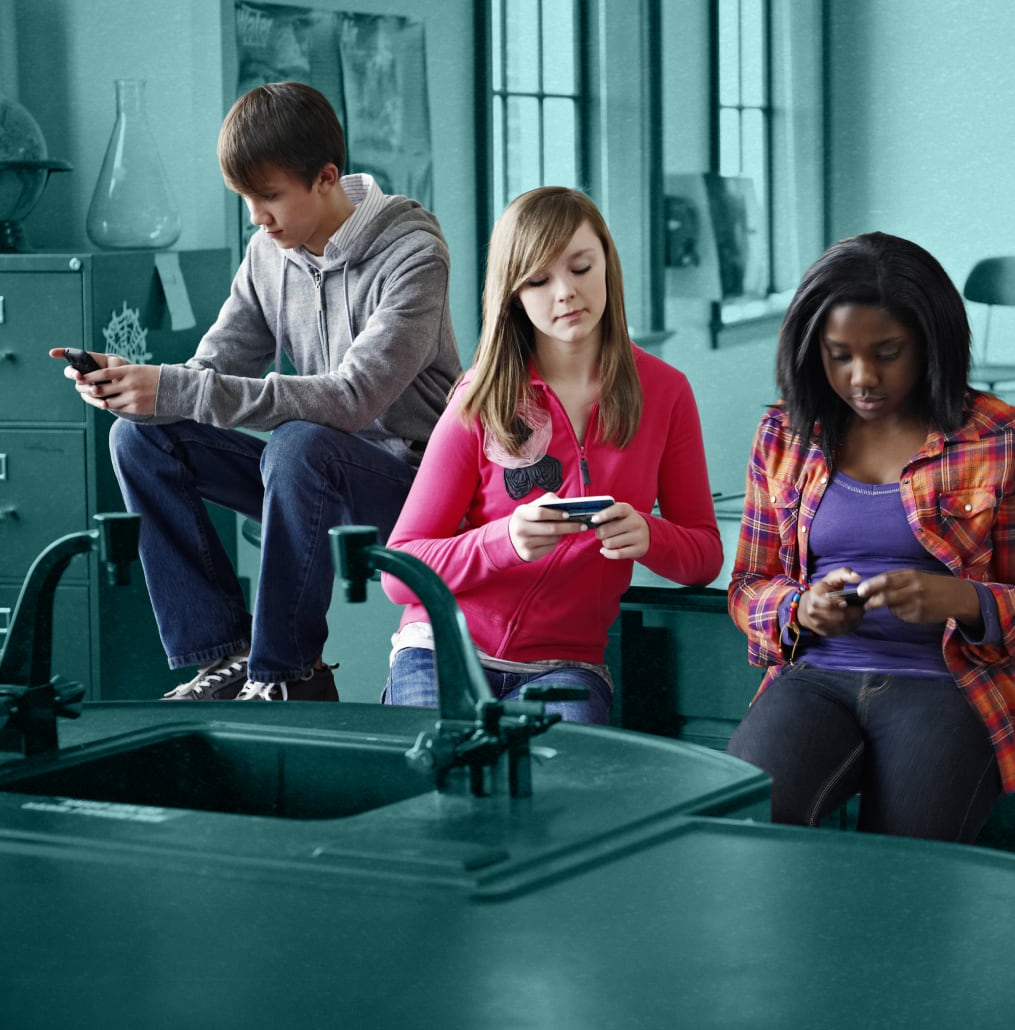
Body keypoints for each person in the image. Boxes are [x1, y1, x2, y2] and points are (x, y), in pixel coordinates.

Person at [57, 81, 461, 701]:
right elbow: (210, 368)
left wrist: (173, 388)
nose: (255, 215)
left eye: (269, 196)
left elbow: (352, 399)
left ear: (326, 178)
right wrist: (131, 386)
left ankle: (287, 672)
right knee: (140, 437)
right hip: (301, 477)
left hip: (410, 488)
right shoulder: (268, 253)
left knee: (300, 442)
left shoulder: (414, 255)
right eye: (245, 197)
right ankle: (228, 654)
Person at [727, 231, 1015, 843]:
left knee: (901, 868)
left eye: (888, 353)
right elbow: (748, 587)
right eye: (838, 355)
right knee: (742, 828)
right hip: (814, 679)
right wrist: (800, 607)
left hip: (946, 683)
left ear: (930, 346)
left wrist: (960, 601)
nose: (862, 379)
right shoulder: (783, 433)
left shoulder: (996, 434)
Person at [379, 187, 721, 725]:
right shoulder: (480, 396)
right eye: (538, 280)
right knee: (440, 791)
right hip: (441, 649)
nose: (566, 292)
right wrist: (504, 541)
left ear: (607, 261)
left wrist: (650, 536)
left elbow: (704, 555)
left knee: (561, 799)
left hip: (565, 667)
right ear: (513, 294)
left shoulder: (667, 392)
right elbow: (399, 572)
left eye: (581, 267)